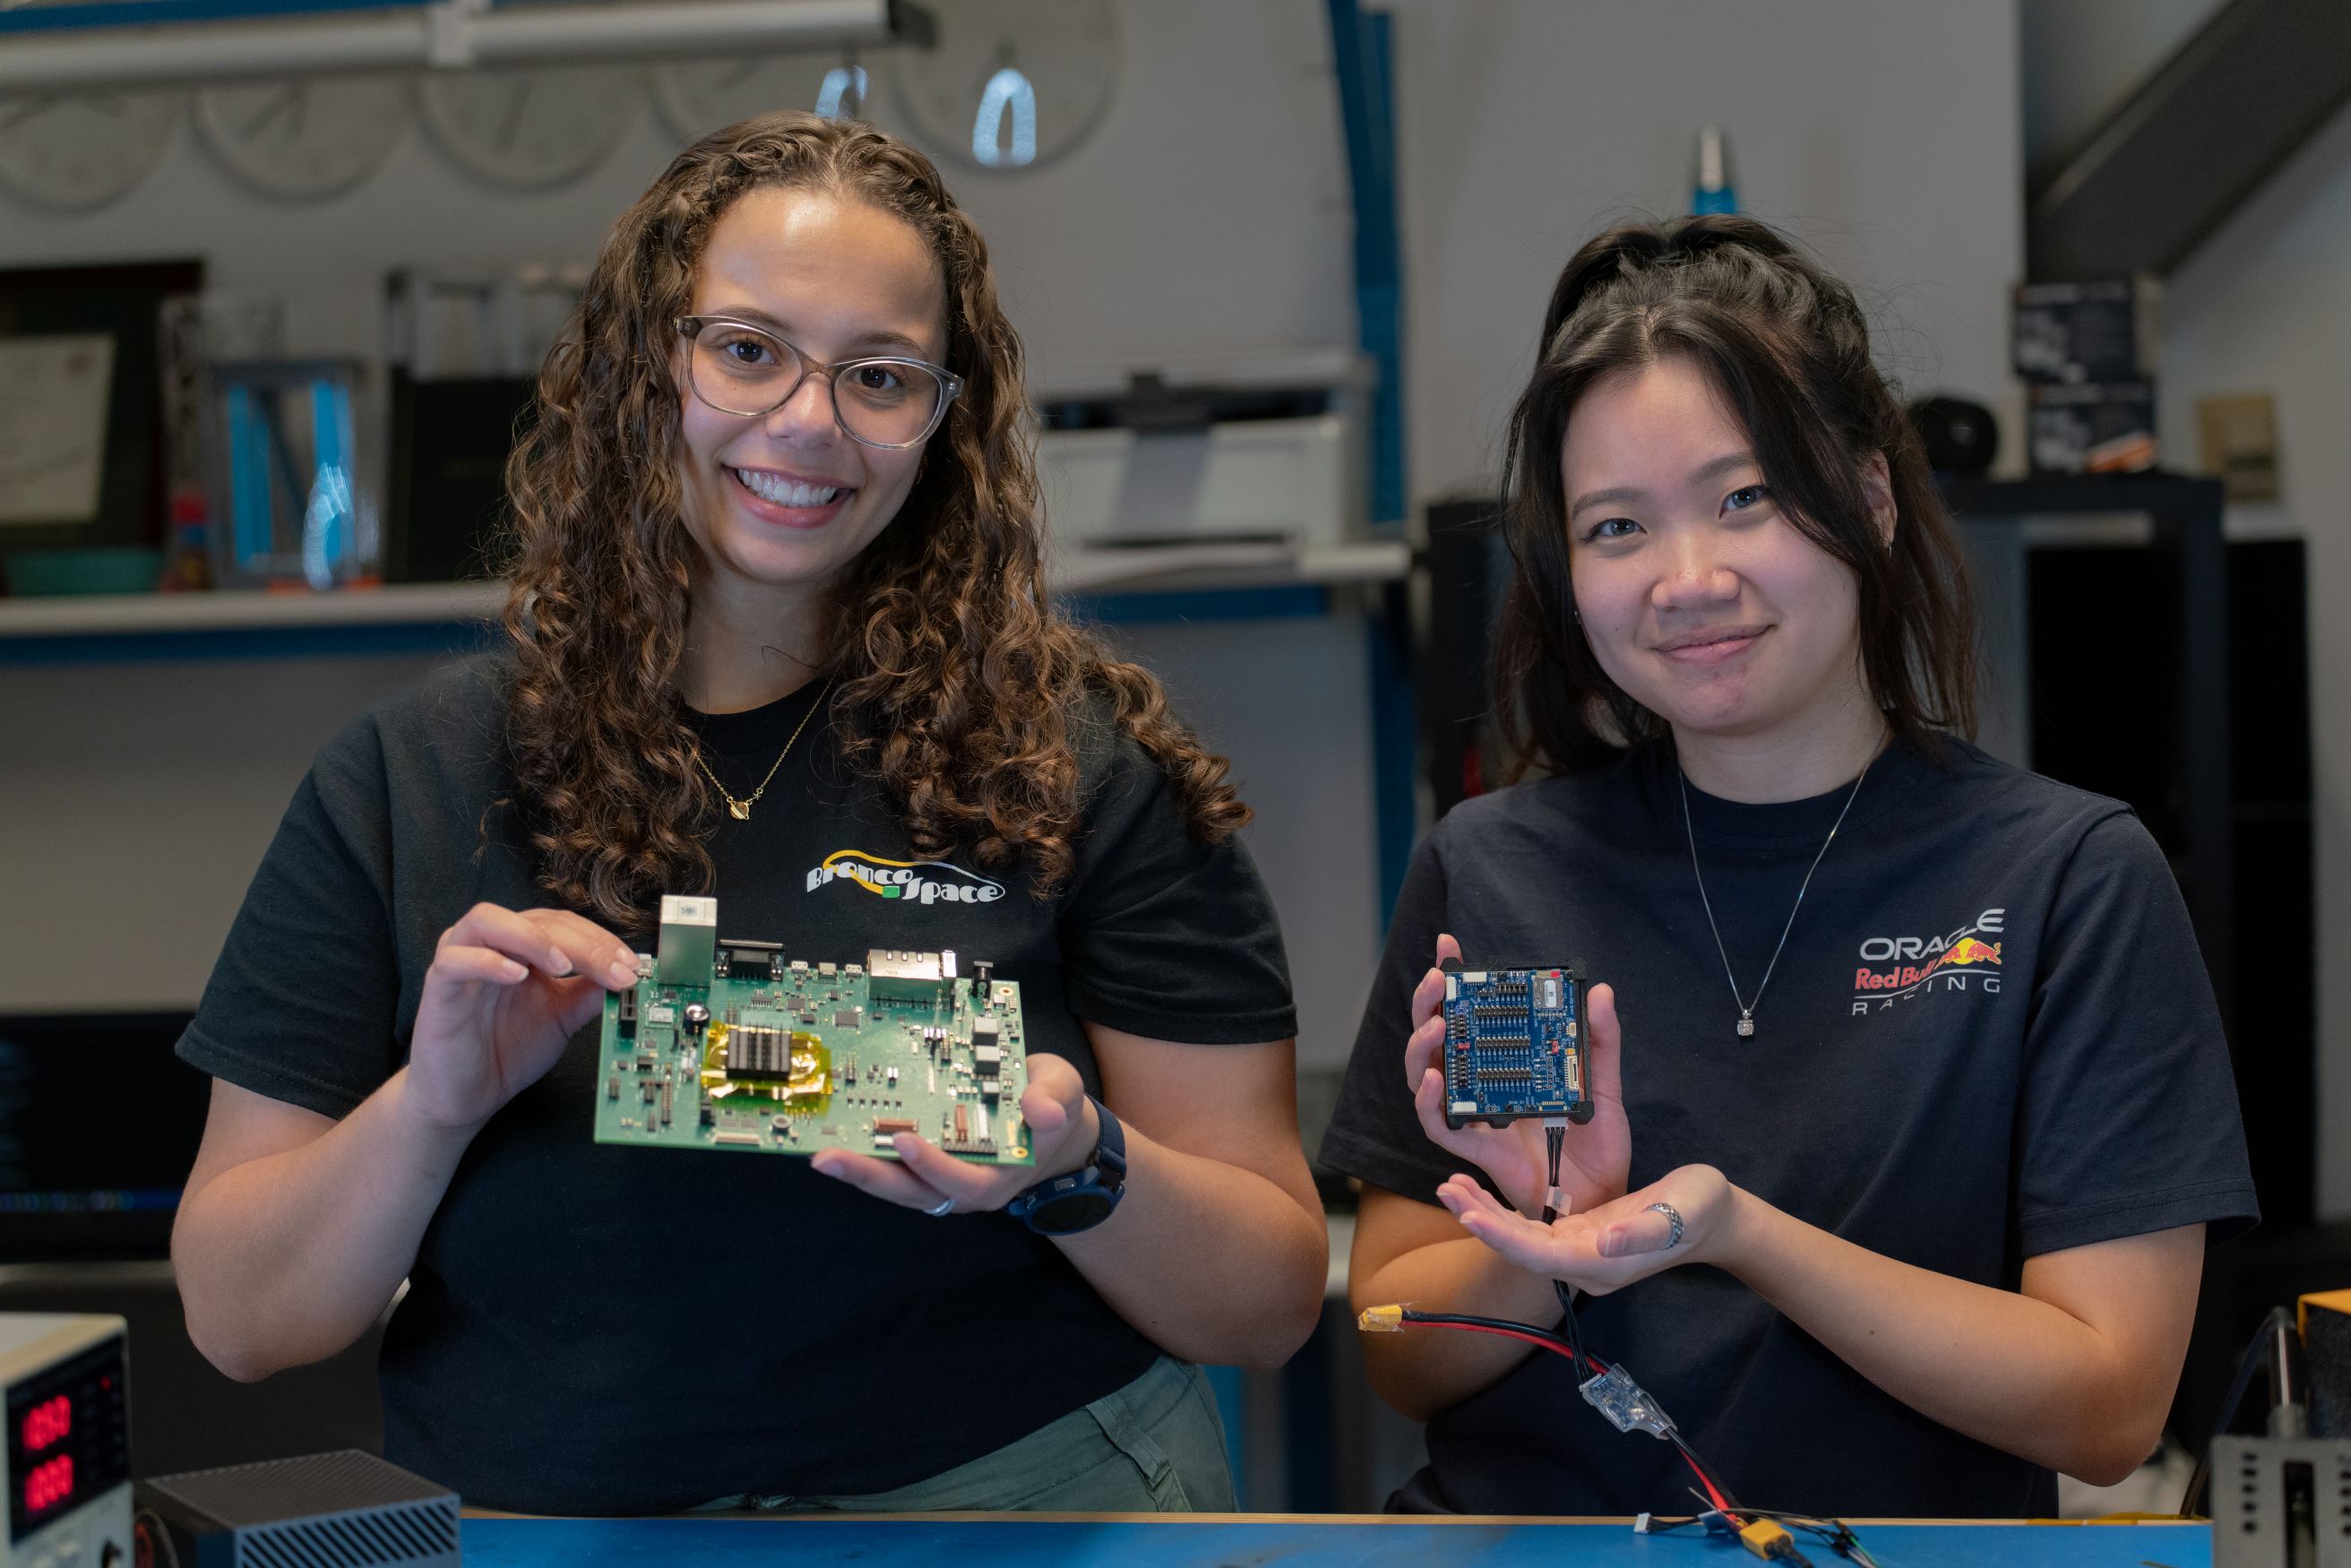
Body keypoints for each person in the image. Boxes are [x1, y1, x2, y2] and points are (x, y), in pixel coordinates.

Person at [169, 112, 1325, 1517]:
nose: (808, 423)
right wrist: (433, 1103)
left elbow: (1268, 1300)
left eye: (881, 376)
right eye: (748, 348)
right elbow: (239, 1317)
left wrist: (1080, 1167)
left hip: (1024, 1508)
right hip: (555, 1523)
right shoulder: (412, 778)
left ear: (944, 424)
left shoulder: (1075, 765)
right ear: (644, 365)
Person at [1320, 215, 2257, 1518]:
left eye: (1744, 497)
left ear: (1868, 499)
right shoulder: (1496, 868)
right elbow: (1397, 1352)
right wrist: (1555, 1241)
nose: (1685, 579)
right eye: (1616, 526)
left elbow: (2108, 1404)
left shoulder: (2066, 879)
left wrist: (1736, 1233)